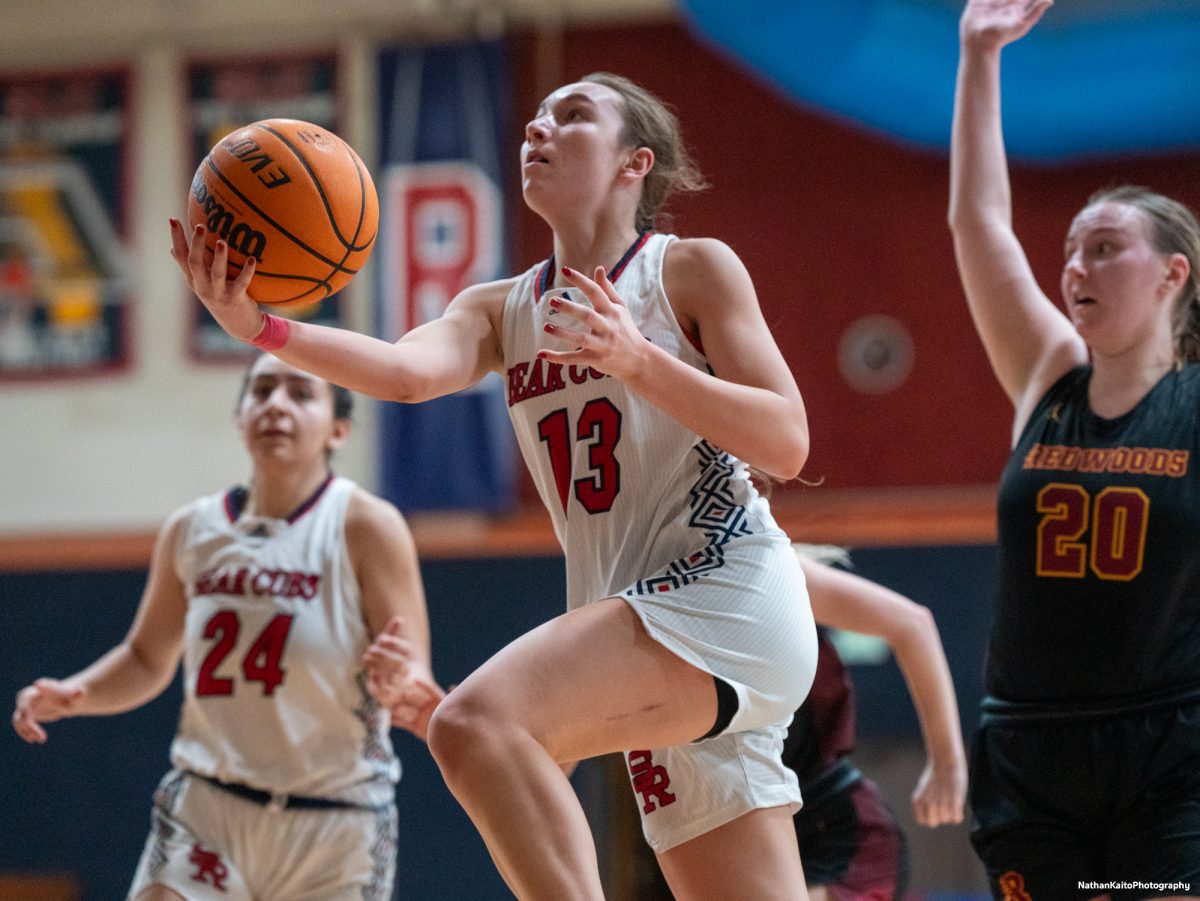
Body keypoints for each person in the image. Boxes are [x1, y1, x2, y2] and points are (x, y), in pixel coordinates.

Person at [170, 71, 819, 900]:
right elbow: (406, 373)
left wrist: (636, 359)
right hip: (644, 619)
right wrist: (260, 326)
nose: (539, 129)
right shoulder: (498, 310)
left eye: (574, 116)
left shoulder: (688, 272)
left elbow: (789, 440)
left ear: (634, 164)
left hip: (725, 590)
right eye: (535, 118)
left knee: (474, 723)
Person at [11, 353, 437, 901]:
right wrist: (79, 692)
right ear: (240, 419)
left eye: (300, 393)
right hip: (208, 808)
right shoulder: (192, 529)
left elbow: (415, 677)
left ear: (339, 428)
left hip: (336, 820)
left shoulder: (368, 525)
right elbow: (145, 658)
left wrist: (397, 681)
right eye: (260, 391)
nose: (276, 405)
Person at [950, 1, 1200, 897]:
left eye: (1105, 250)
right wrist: (980, 56)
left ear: (1174, 272)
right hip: (1029, 750)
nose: (1076, 270)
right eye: (1069, 252)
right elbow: (979, 227)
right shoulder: (1049, 375)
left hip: (1169, 749)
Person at [788, 549, 965, 901]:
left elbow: (912, 623)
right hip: (757, 821)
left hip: (837, 832)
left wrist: (947, 763)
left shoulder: (765, 560)